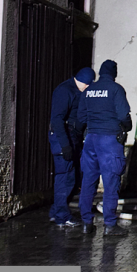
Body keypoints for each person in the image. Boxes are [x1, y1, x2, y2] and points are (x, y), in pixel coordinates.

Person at [78, 60, 132, 236]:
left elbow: (81, 117)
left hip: (91, 139)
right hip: (109, 140)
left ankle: (86, 222)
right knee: (110, 182)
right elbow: (124, 115)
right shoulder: (116, 89)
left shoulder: (88, 91)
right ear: (113, 73)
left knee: (88, 180)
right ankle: (110, 225)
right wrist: (126, 126)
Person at [48, 66, 95, 227]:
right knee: (65, 177)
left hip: (70, 137)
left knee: (70, 177)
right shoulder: (64, 91)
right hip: (63, 138)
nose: (87, 89)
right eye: (86, 85)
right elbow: (57, 120)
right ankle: (61, 216)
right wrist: (65, 145)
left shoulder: (75, 89)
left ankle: (56, 212)